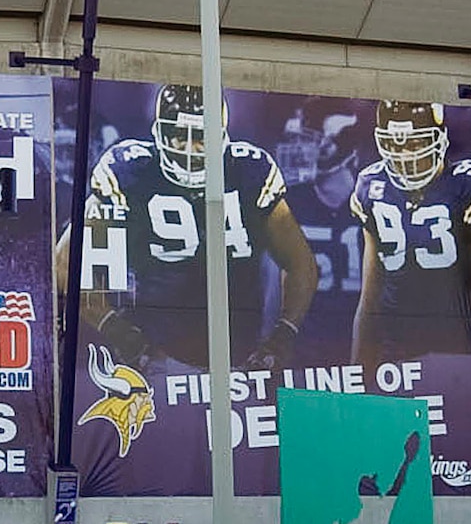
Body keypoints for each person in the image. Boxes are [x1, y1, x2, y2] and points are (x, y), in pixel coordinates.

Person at [75, 83, 316, 464]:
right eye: (177, 135)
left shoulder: (249, 170)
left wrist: (283, 334)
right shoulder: (128, 171)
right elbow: (69, 265)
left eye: (200, 137)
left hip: (241, 361)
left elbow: (300, 262)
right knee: (163, 465)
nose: (188, 149)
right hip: (155, 361)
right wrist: (119, 329)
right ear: (158, 133)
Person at [339, 99, 471, 384]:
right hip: (396, 350)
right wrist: (357, 372)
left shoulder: (469, 183)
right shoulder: (372, 186)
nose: (405, 157)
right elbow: (370, 298)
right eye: (395, 146)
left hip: (458, 348)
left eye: (415, 145)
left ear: (438, 141)